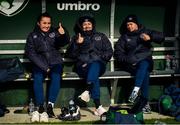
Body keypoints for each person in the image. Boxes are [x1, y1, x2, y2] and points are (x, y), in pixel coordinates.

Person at [114, 14, 165, 113]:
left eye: (131, 24)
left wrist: (150, 37)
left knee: (144, 64)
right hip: (132, 64)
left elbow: (161, 37)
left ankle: (136, 90)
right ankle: (144, 102)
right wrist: (129, 60)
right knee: (144, 72)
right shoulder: (124, 37)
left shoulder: (145, 31)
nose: (129, 26)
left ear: (136, 24)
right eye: (127, 25)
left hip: (145, 61)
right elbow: (118, 53)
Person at [25, 12, 70, 122]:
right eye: (44, 23)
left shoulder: (55, 32)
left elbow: (64, 42)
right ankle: (40, 106)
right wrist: (45, 67)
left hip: (55, 62)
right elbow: (30, 53)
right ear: (38, 23)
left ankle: (50, 106)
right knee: (38, 78)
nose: (47, 25)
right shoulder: (32, 35)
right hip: (39, 63)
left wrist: (63, 34)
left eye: (49, 23)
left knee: (56, 77)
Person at [66, 15, 113, 116]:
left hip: (99, 65)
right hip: (83, 66)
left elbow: (109, 52)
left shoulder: (101, 36)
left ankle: (87, 90)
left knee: (95, 64)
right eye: (84, 24)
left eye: (89, 24)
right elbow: (70, 55)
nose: (87, 26)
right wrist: (78, 44)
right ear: (81, 26)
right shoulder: (77, 37)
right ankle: (98, 107)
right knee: (93, 75)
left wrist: (98, 57)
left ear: (92, 25)